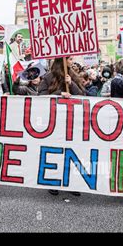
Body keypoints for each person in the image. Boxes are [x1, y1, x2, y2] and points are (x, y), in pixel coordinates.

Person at [38, 57, 84, 197]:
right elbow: (41, 97)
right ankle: (52, 182)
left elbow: (83, 96)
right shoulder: (47, 77)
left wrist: (72, 84)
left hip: (71, 121)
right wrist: (59, 94)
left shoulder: (74, 76)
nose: (72, 61)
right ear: (61, 61)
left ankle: (71, 183)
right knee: (55, 151)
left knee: (71, 151)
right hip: (54, 120)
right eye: (69, 58)